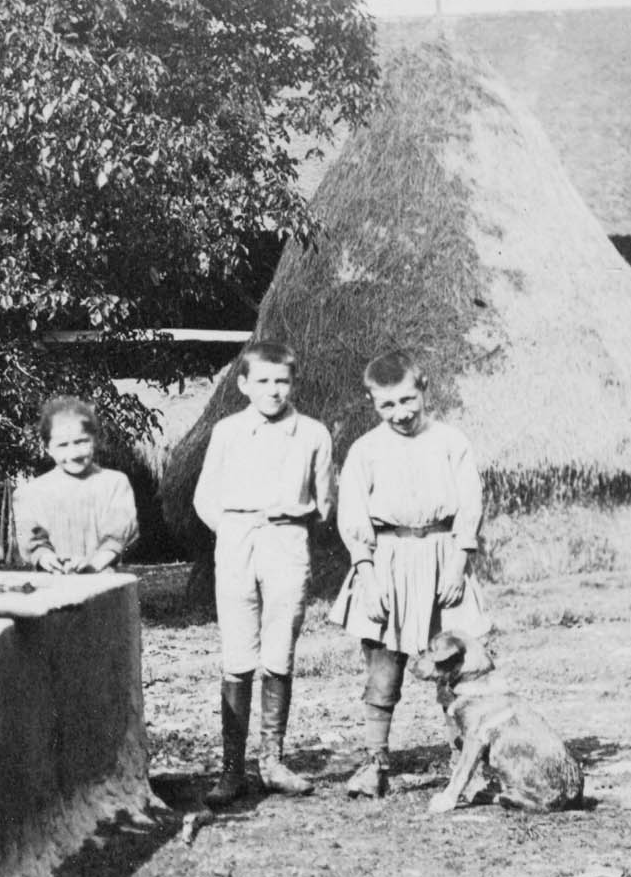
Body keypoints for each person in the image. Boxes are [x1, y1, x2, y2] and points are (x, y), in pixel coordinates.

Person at [331, 350, 488, 799]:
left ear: (423, 387)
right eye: (387, 405)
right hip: (388, 560)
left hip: (442, 558)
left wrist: (459, 561)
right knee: (383, 668)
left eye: (407, 400)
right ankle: (376, 762)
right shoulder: (365, 450)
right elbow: (353, 515)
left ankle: (467, 760)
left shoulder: (451, 442)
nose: (400, 413)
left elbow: (470, 504)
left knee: (457, 666)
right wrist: (368, 574)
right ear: (372, 402)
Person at [192, 340, 335, 805]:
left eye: (282, 381)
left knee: (279, 648)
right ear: (243, 385)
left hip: (287, 541)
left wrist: (286, 528)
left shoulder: (312, 433)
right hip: (236, 540)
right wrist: (233, 531)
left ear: (293, 383)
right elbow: (203, 497)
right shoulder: (227, 431)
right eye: (264, 382)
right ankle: (232, 771)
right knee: (237, 652)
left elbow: (326, 502)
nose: (274, 391)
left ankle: (272, 762)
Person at [12, 397, 139, 573]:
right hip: (52, 585)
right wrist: (46, 558)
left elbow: (119, 537)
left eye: (81, 442)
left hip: (102, 584)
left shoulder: (114, 484)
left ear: (94, 440)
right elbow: (32, 540)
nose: (73, 453)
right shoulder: (32, 493)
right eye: (62, 445)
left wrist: (93, 564)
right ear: (47, 447)